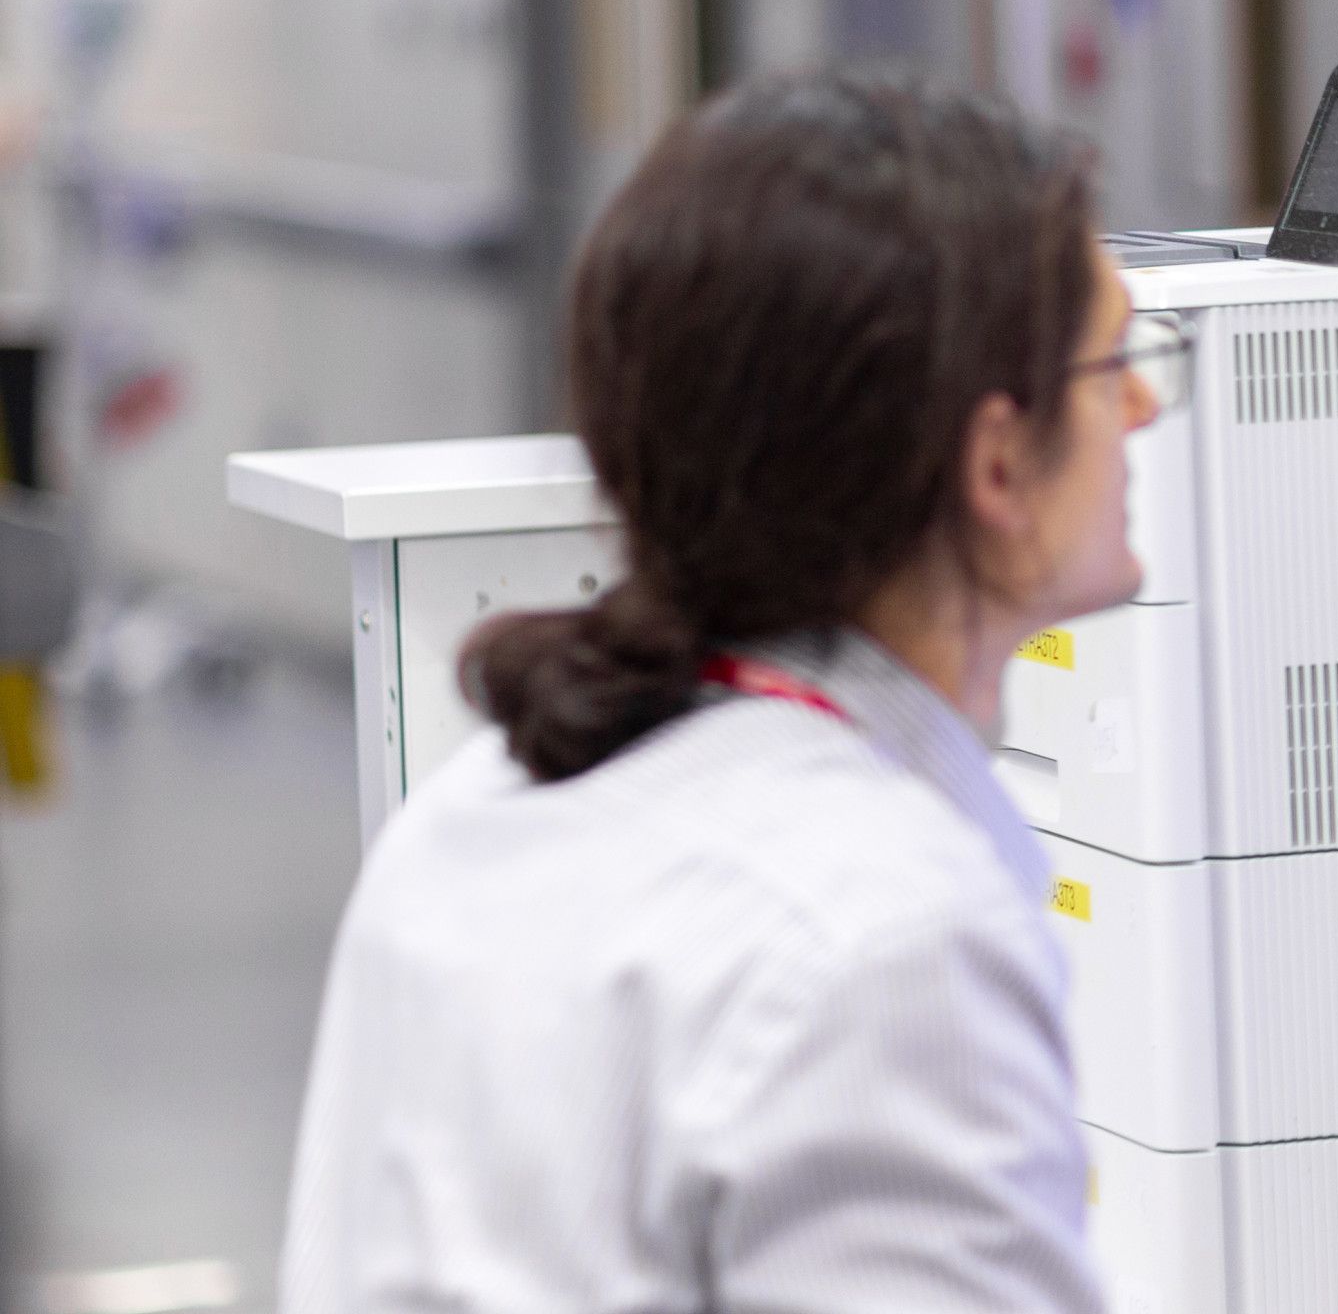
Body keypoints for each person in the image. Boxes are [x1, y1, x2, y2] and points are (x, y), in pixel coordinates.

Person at [283, 70, 1183, 1309]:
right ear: (993, 464)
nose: (1143, 404)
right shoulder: (881, 932)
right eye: (1114, 363)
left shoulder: (478, 808)